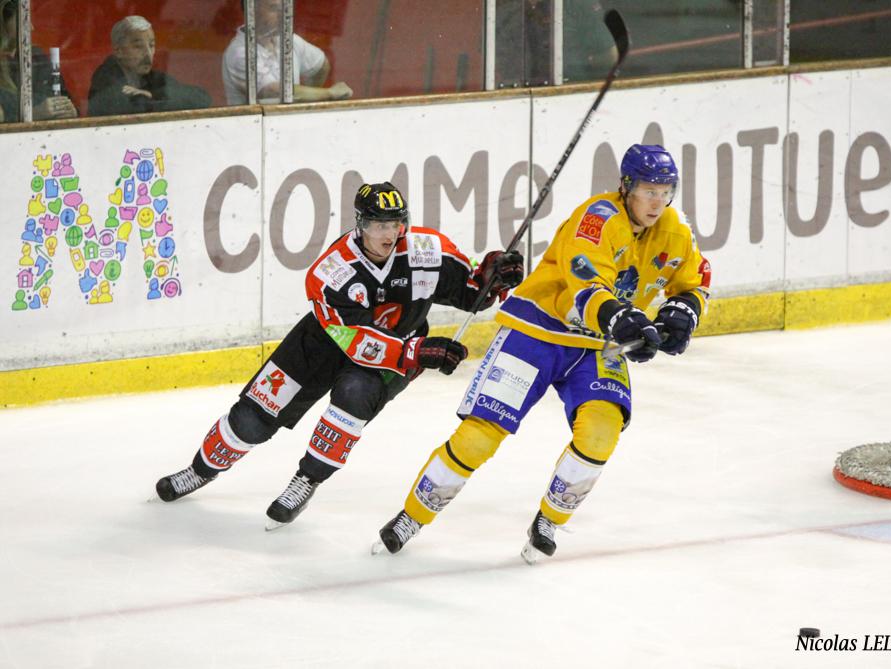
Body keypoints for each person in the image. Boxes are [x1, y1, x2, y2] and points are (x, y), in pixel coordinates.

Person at [374, 144, 712, 563]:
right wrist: (623, 318)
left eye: (666, 191)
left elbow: (695, 279)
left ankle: (549, 520)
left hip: (595, 346)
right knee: (481, 435)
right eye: (648, 190)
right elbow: (587, 286)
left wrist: (684, 313)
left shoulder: (675, 228)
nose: (657, 202)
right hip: (537, 332)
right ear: (625, 186)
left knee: (602, 432)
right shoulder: (597, 220)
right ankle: (412, 516)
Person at [155, 182, 524, 530]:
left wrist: (495, 274)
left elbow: (472, 292)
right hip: (323, 344)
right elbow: (355, 340)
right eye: (379, 224)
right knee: (252, 419)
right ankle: (201, 470)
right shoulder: (332, 272)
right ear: (361, 225)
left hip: (397, 353)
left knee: (352, 400)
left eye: (395, 223)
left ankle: (306, 480)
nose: (388, 233)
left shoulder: (427, 251)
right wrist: (417, 351)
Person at [222, 0, 352, 104]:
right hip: (253, 131)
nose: (282, 15)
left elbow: (321, 65)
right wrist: (329, 93)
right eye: (273, 8)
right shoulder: (240, 52)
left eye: (283, 8)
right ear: (252, 12)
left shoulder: (289, 40)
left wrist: (306, 101)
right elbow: (274, 91)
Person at [87, 16, 211, 117]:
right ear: (119, 51)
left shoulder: (151, 76)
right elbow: (129, 110)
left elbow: (202, 98)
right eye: (138, 46)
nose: (148, 54)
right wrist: (150, 100)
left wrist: (153, 95)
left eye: (151, 45)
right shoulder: (105, 77)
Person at [0, 0, 77, 121]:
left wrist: (69, 111)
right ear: (3, 28)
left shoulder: (36, 58)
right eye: (22, 22)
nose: (30, 28)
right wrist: (34, 114)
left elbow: (62, 97)